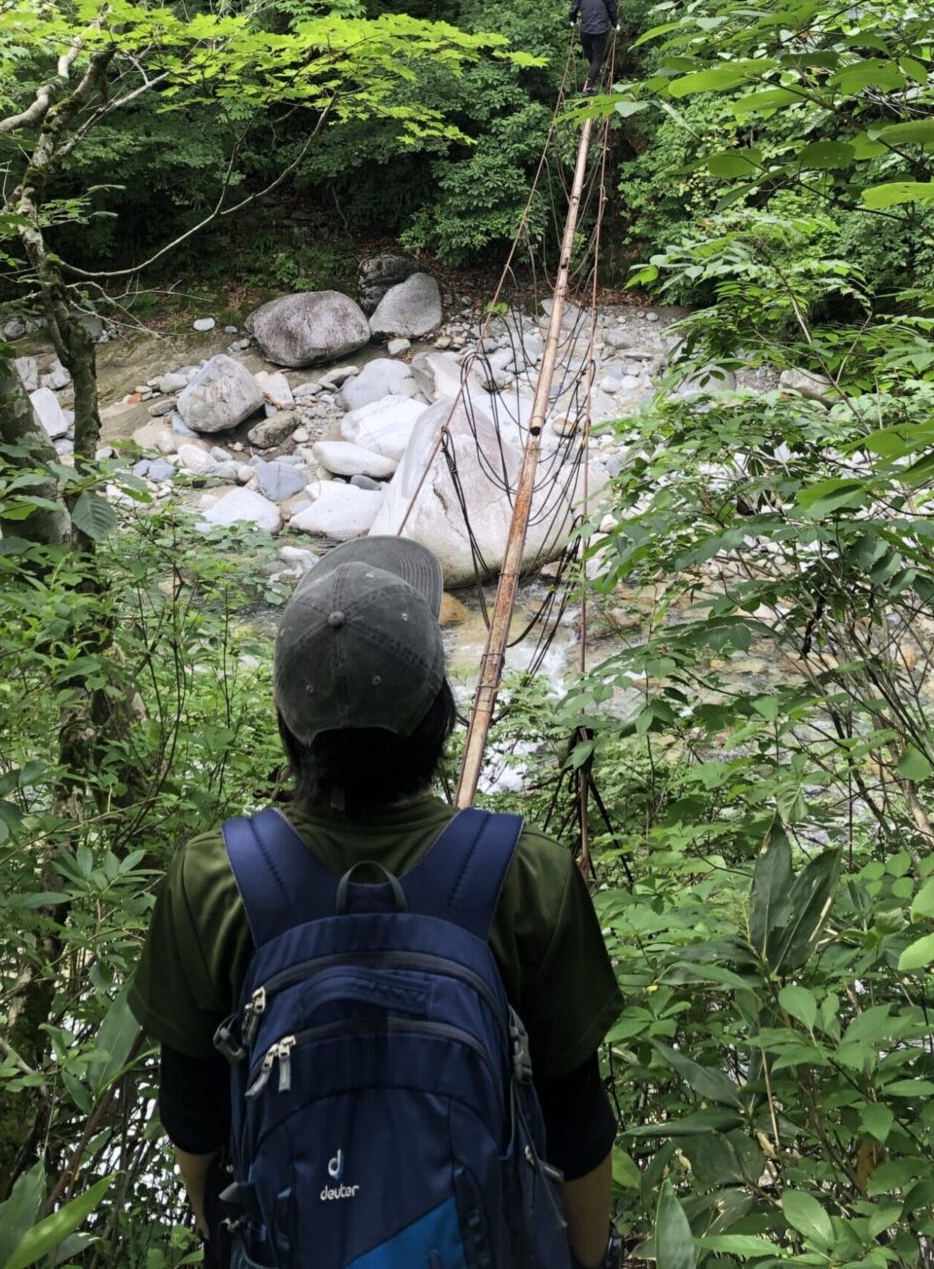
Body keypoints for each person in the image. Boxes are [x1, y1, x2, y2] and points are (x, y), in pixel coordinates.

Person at [130, 536, 624, 1269]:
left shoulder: (214, 879)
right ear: (439, 712)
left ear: (288, 724)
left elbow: (194, 1125)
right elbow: (577, 1128)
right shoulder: (524, 872)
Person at [569, 0, 618, 93]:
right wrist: (615, 24)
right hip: (601, 31)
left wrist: (572, 20)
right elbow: (612, 9)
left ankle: (596, 71)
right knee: (597, 58)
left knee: (588, 53)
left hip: (585, 30)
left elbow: (574, 7)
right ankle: (589, 86)